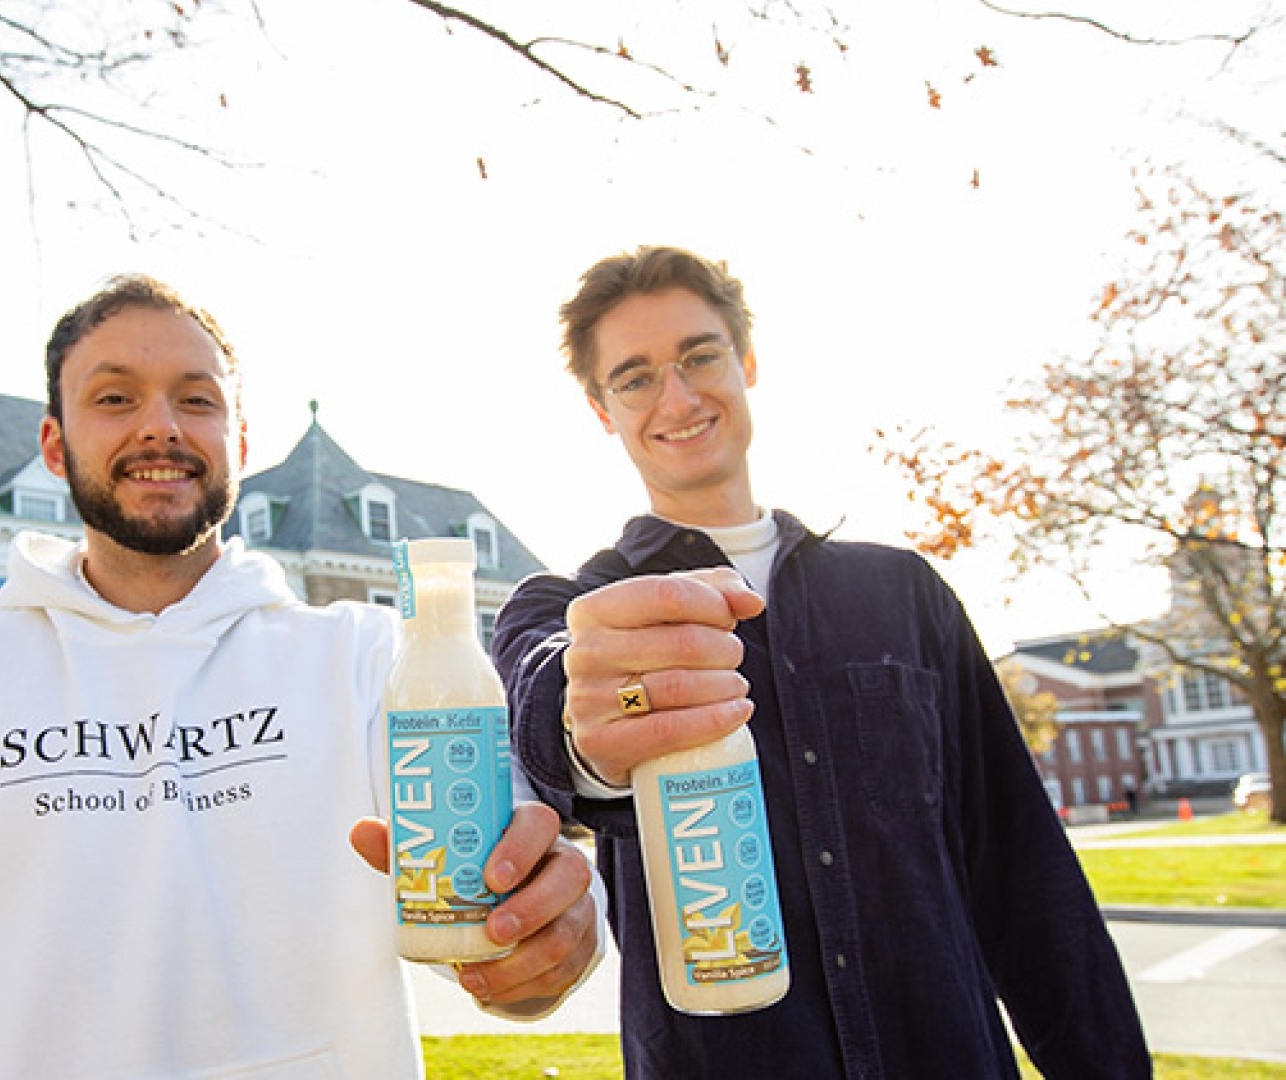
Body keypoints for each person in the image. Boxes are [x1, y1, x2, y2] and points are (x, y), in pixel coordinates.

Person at [0, 273, 675, 1076]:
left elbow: (511, 891)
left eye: (196, 400)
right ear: (54, 443)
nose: (161, 425)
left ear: (238, 437)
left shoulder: (369, 661)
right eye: (114, 398)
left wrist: (540, 942)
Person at [490, 246, 1152, 1079]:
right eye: (636, 378)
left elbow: (1021, 866)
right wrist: (592, 725)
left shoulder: (905, 594)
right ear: (601, 410)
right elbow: (548, 707)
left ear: (747, 361)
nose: (678, 398)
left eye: (700, 356)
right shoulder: (572, 610)